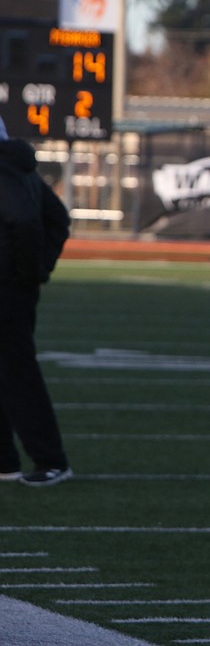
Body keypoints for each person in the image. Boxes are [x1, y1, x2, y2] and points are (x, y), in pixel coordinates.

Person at [0, 117, 73, 487]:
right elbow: (57, 219)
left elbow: (28, 222)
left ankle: (50, 458)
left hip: (7, 291)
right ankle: (5, 460)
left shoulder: (6, 171)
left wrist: (27, 273)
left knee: (17, 374)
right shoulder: (20, 169)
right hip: (14, 287)